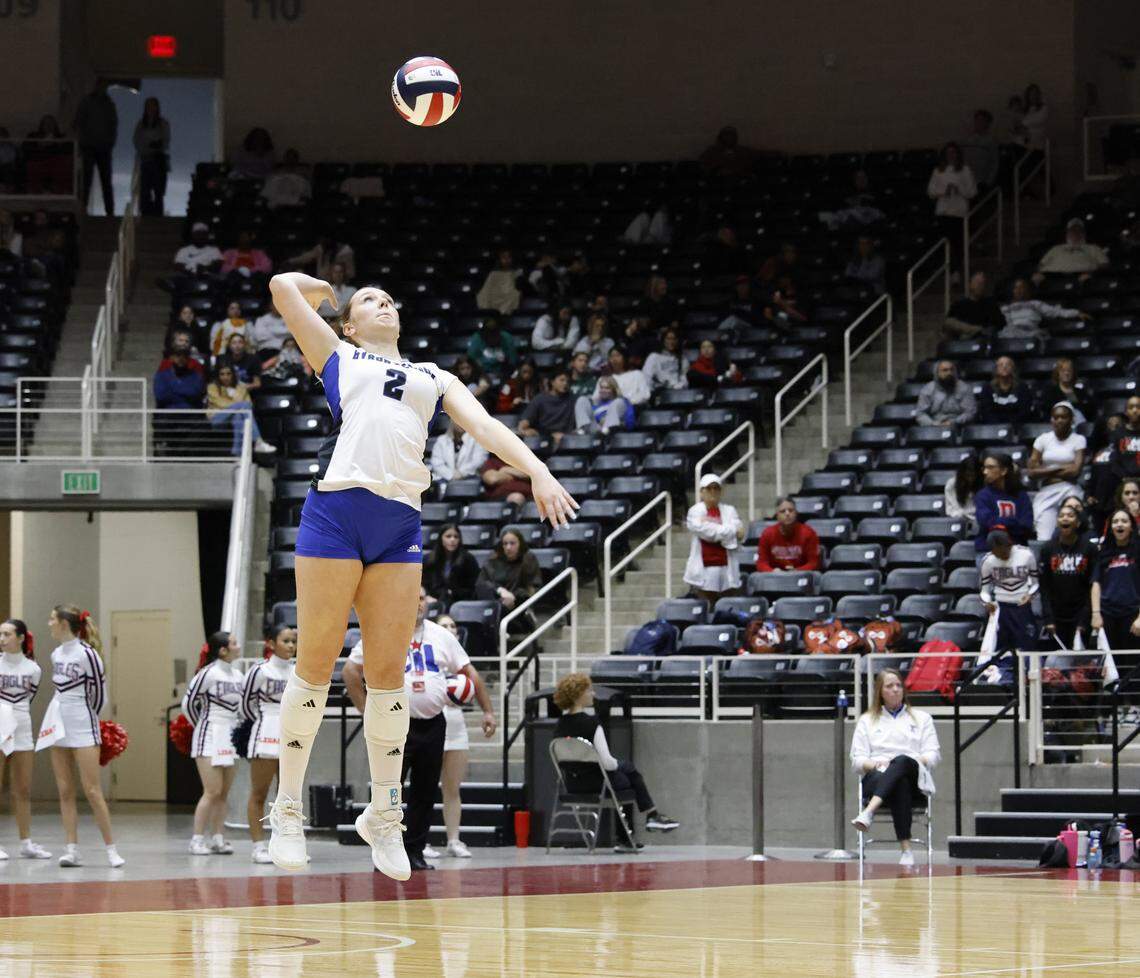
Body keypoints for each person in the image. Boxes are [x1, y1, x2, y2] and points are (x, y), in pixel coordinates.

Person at [263, 271, 576, 878]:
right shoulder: (338, 354)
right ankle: (288, 809)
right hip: (337, 512)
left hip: (400, 520)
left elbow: (485, 428)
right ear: (349, 324)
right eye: (369, 301)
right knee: (317, 665)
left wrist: (537, 470)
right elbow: (280, 287)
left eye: (390, 298)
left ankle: (384, 814)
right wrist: (325, 287)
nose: (384, 302)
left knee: (389, 677)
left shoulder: (436, 376)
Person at [340, 591, 497, 870]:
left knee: (425, 791)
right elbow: (351, 672)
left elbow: (470, 673)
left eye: (422, 597)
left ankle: (415, 851)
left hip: (433, 723)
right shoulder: (382, 630)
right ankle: (385, 853)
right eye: (412, 596)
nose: (418, 602)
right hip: (393, 724)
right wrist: (367, 712)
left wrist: (487, 710)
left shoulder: (441, 635)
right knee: (389, 792)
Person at [553, 672, 679, 848]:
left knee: (624, 774)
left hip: (573, 785)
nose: (593, 694)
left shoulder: (560, 726)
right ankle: (647, 820)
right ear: (579, 695)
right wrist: (620, 765)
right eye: (589, 690)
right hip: (598, 785)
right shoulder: (592, 724)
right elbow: (607, 764)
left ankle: (644, 823)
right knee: (628, 775)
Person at [42, 605, 123, 868]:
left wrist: (87, 717)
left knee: (92, 790)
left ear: (65, 623)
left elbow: (100, 696)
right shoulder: (55, 654)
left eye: (53, 619)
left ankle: (111, 849)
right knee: (65, 790)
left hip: (83, 723)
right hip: (58, 723)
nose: (49, 623)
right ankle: (71, 848)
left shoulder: (88, 654)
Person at [850, 668, 940, 867]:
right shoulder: (867, 720)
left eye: (899, 685)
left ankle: (868, 812)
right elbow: (857, 760)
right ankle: (906, 850)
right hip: (878, 775)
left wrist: (912, 761)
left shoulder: (922, 718)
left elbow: (933, 754)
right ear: (880, 691)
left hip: (914, 773)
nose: (896, 690)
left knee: (902, 762)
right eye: (890, 686)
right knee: (899, 781)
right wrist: (874, 764)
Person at [429, 613, 495, 860]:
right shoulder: (427, 653)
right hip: (429, 721)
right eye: (444, 625)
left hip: (455, 725)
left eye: (453, 625)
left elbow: (475, 682)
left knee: (452, 788)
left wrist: (488, 711)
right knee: (424, 789)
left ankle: (454, 839)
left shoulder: (459, 659)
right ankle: (421, 840)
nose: (450, 628)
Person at [182, 631, 244, 856]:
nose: (239, 646)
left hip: (230, 735)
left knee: (224, 792)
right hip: (209, 735)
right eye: (234, 644)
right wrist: (202, 725)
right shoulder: (208, 674)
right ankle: (196, 839)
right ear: (223, 650)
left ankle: (218, 837)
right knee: (212, 790)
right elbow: (187, 704)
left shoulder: (238, 676)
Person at [241, 625, 296, 864]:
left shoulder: (297, 672)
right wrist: (263, 724)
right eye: (286, 641)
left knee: (288, 795)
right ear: (271, 644)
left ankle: (284, 843)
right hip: (265, 732)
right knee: (259, 793)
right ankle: (258, 845)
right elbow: (245, 705)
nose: (292, 646)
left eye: (293, 641)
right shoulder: (259, 671)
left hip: (292, 735)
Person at [0, 619, 51, 860]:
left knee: (22, 787)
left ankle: (26, 842)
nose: (2, 639)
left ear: (21, 638)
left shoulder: (33, 669)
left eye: (7, 634)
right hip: (0, 726)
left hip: (22, 727)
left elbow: (28, 698)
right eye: (1, 634)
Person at [1026, 402, 1086, 541]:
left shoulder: (1078, 439)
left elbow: (1075, 471)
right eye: (1055, 417)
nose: (1059, 420)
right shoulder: (1043, 439)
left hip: (1069, 489)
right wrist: (1061, 468)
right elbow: (1032, 472)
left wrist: (1045, 470)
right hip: (1047, 491)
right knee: (1044, 538)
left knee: (1072, 534)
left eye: (1063, 417)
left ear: (1071, 420)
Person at [1038, 505, 1095, 649]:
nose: (1065, 518)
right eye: (1062, 515)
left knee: (1080, 665)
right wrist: (1048, 617)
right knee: (1058, 665)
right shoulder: (1047, 549)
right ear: (1057, 522)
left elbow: (1092, 585)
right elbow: (1044, 587)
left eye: (1070, 515)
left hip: (1081, 613)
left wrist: (1085, 619)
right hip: (1056, 616)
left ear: (1078, 522)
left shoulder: (1089, 548)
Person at [979, 530, 1040, 664]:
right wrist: (987, 603)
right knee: (1001, 650)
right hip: (1001, 609)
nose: (1001, 556)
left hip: (1022, 607)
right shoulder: (988, 561)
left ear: (1009, 544)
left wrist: (1030, 596)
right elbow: (984, 590)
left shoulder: (1026, 555)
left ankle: (1028, 677)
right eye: (996, 553)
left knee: (1027, 646)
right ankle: (1003, 678)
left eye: (1003, 552)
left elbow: (1036, 584)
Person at [684, 473, 745, 603]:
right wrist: (730, 530)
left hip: (727, 566)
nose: (713, 492)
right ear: (701, 492)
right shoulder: (694, 511)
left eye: (716, 488)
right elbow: (706, 533)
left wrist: (710, 526)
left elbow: (740, 534)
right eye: (709, 488)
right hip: (704, 568)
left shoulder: (730, 510)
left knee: (728, 605)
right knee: (706, 606)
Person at [1091, 509, 1140, 651]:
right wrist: (1096, 613)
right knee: (1110, 666)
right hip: (1107, 614)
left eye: (1124, 521)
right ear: (1111, 528)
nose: (1120, 524)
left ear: (1131, 527)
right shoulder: (1103, 553)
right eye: (1115, 521)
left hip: (1133, 614)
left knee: (1131, 665)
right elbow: (1096, 584)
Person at [476, 529, 542, 631]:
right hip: (495, 603)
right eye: (505, 543)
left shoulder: (528, 559)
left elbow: (533, 587)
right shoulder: (492, 560)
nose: (508, 547)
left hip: (519, 609)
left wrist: (514, 597)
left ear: (520, 544)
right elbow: (482, 583)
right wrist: (500, 590)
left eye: (512, 543)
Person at [927, 142, 976, 276]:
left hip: (959, 213)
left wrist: (959, 189)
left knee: (958, 243)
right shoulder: (938, 171)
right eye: (948, 153)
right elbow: (931, 191)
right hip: (944, 212)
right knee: (945, 243)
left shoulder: (965, 170)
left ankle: (956, 271)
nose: (951, 155)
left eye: (953, 152)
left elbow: (972, 192)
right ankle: (948, 269)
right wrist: (944, 191)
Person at [206, 363, 276, 455]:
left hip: (234, 418)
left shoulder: (241, 387)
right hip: (217, 418)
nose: (225, 377)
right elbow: (220, 403)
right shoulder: (212, 387)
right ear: (218, 376)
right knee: (242, 407)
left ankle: (237, 454)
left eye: (228, 374)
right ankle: (258, 441)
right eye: (222, 374)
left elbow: (249, 405)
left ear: (233, 375)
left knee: (238, 416)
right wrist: (238, 405)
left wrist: (238, 406)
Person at [74, 80, 117, 215]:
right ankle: (85, 208)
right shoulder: (91, 103)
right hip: (91, 146)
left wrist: (110, 142)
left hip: (101, 146)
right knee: (88, 180)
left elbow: (113, 125)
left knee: (103, 181)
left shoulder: (107, 104)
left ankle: (108, 210)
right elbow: (79, 122)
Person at [975, 453, 1034, 551]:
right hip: (989, 549)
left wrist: (999, 523)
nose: (985, 472)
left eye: (990, 467)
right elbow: (986, 522)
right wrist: (1013, 522)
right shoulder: (983, 495)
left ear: (1003, 471)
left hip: (1017, 548)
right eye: (984, 468)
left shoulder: (1021, 496)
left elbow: (1026, 525)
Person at [999, 277, 1088, 341]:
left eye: (1022, 287)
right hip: (1012, 335)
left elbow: (1055, 312)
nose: (1019, 290)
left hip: (1031, 334)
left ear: (1028, 290)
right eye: (1016, 287)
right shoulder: (1005, 308)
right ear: (1012, 290)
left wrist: (1076, 313)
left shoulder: (1035, 304)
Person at [422, 524, 481, 607]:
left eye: (456, 537)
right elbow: (422, 584)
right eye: (448, 536)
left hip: (459, 603)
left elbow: (473, 587)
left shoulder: (468, 559)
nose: (452, 540)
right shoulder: (428, 559)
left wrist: (452, 593)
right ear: (441, 539)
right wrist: (427, 596)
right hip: (432, 601)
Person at [756, 497, 821, 572]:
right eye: (783, 511)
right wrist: (772, 571)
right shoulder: (767, 534)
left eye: (791, 510)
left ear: (796, 513)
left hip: (801, 577)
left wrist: (797, 571)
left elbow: (814, 563)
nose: (787, 514)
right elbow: (761, 563)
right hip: (775, 578)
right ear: (777, 516)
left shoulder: (809, 534)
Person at [1034, 218, 1109, 281]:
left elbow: (1104, 264)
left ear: (1083, 233)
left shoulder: (1093, 248)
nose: (1076, 233)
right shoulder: (1056, 248)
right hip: (1053, 277)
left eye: (1079, 230)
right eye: (1072, 230)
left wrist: (1092, 273)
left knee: (1086, 279)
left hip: (1081, 276)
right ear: (1067, 233)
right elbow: (1041, 264)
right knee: (1036, 277)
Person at [133, 97, 170, 216]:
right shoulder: (141, 124)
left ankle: (158, 215)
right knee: (145, 190)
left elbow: (165, 141)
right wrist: (147, 147)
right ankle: (146, 214)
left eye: (153, 106)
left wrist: (155, 145)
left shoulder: (162, 123)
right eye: (149, 106)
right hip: (145, 160)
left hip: (157, 161)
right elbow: (137, 141)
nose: (151, 109)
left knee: (158, 190)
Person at [518, 369, 576, 445]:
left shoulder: (572, 399)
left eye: (567, 381)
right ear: (552, 382)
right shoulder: (540, 399)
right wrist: (524, 429)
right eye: (562, 380)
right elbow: (525, 421)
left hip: (565, 437)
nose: (565, 383)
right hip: (543, 437)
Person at [943, 271, 1005, 339]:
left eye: (982, 283)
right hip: (963, 341)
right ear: (970, 284)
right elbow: (948, 324)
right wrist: (976, 329)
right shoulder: (959, 304)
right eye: (977, 282)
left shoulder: (990, 303)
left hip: (984, 339)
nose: (979, 286)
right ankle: (976, 330)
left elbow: (1000, 323)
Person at [429, 418, 488, 488]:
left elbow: (478, 461)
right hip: (445, 480)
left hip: (470, 480)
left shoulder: (478, 439)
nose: (460, 423)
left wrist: (461, 473)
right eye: (457, 419)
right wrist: (451, 475)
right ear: (451, 421)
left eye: (463, 420)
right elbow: (436, 463)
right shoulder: (442, 440)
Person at [916, 360, 976, 427]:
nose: (949, 373)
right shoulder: (927, 389)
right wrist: (933, 424)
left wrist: (954, 422)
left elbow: (970, 412)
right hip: (934, 427)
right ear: (937, 373)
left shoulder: (964, 388)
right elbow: (920, 414)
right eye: (945, 370)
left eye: (951, 370)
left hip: (959, 427)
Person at [978, 356, 1034, 425]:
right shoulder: (987, 388)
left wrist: (1011, 425)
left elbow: (1025, 411)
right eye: (1001, 365)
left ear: (1013, 368)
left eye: (1008, 364)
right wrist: (998, 426)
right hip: (993, 427)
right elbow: (986, 412)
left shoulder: (1022, 388)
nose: (1004, 367)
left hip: (1018, 426)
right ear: (996, 369)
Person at [1037, 358, 1092, 424]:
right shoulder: (1050, 393)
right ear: (1057, 373)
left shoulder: (1081, 393)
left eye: (1069, 370)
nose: (1066, 373)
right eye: (1063, 370)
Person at [466, 316, 519, 383]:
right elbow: (471, 361)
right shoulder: (476, 339)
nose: (491, 335)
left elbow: (513, 361)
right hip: (482, 375)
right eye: (489, 333)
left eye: (493, 333)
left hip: (503, 374)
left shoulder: (506, 338)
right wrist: (483, 376)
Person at [285, 235, 355, 282]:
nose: (323, 243)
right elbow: (306, 257)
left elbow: (351, 273)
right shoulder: (321, 248)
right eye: (322, 241)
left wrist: (338, 278)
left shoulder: (345, 252)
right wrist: (290, 261)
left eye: (326, 240)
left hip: (337, 285)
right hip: (319, 282)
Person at [961, 109, 1001, 191]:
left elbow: (994, 163)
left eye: (982, 120)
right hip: (965, 179)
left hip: (980, 181)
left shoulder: (991, 141)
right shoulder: (967, 139)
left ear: (987, 123)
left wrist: (988, 182)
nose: (978, 123)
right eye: (977, 120)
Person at [475, 249, 523, 315]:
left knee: (515, 295)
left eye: (508, 257)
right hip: (494, 300)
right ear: (499, 259)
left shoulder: (517, 273)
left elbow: (515, 290)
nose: (506, 260)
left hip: (509, 300)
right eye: (504, 257)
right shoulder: (493, 274)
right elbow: (486, 291)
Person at [642, 327, 688, 392]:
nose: (671, 342)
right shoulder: (654, 357)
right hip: (660, 392)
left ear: (677, 341)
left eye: (674, 339)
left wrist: (676, 387)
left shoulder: (683, 359)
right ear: (663, 340)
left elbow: (684, 380)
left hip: (678, 392)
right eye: (668, 339)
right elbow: (646, 377)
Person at [944, 454, 982, 527]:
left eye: (973, 476)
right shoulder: (952, 484)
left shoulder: (985, 484)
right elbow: (951, 510)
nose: (971, 479)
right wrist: (963, 516)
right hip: (958, 520)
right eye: (968, 475)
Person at [1022, 83, 1049, 150]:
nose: (1033, 96)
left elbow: (1038, 120)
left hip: (1038, 146)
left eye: (1035, 93)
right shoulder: (1025, 110)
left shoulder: (1044, 108)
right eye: (1031, 94)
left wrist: (1023, 124)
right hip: (1024, 145)